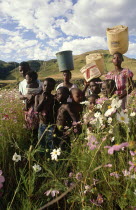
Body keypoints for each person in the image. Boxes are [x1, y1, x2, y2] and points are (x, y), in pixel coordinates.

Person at [34, 78, 59, 149]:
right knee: (41, 143)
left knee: (50, 143)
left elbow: (55, 112)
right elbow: (36, 110)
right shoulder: (38, 97)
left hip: (51, 124)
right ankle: (42, 158)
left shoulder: (54, 98)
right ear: (42, 86)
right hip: (42, 124)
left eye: (49, 86)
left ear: (53, 88)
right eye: (45, 85)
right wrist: (42, 101)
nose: (46, 88)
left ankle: (51, 158)